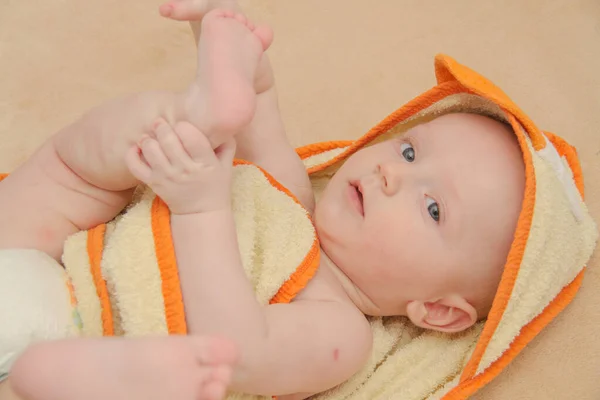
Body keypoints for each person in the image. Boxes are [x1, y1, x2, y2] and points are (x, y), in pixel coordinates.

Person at [0, 1, 525, 399]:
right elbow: (258, 116)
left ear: (435, 310)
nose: (391, 174)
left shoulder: (341, 328)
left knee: (147, 369)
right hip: (45, 257)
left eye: (433, 208)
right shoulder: (292, 198)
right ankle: (198, 109)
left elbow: (241, 350)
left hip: (93, 336)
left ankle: (94, 375)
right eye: (409, 151)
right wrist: (221, 36)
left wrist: (200, 209)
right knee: (83, 162)